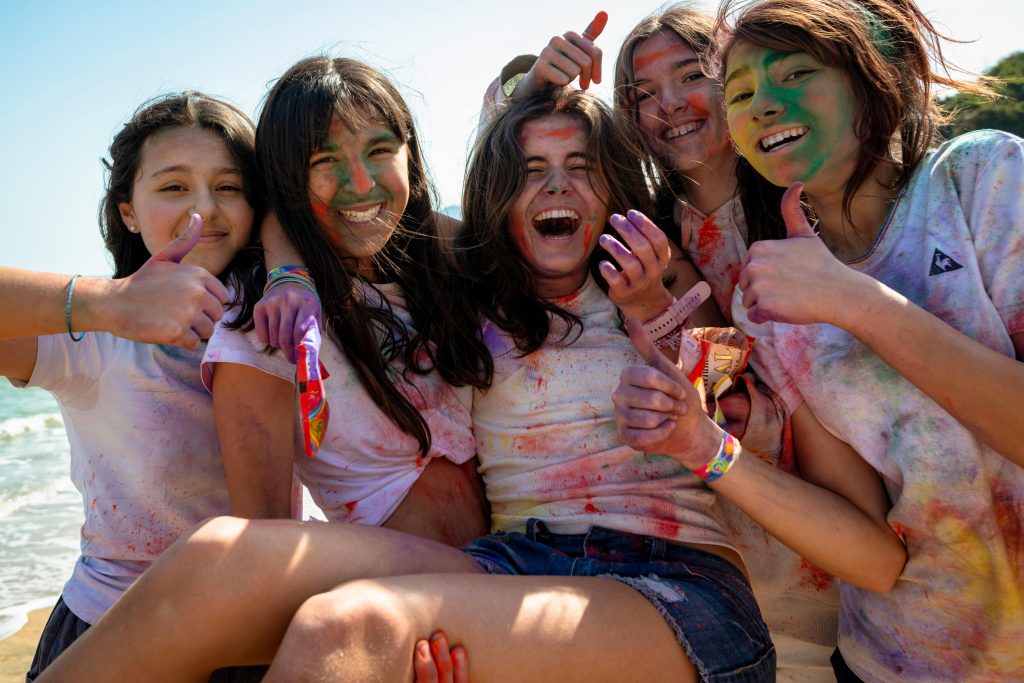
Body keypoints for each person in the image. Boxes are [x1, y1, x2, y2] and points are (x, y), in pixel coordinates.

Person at [496, 7, 842, 677]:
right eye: (642, 94)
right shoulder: (635, 228)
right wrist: (535, 88)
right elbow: (718, 393)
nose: (670, 106)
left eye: (692, 75)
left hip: (862, 541)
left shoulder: (815, 199)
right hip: (725, 560)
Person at [707, 0, 1022, 679]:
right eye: (739, 94)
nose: (763, 104)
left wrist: (857, 303)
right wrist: (703, 448)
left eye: (794, 72)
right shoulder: (767, 304)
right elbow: (873, 552)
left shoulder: (985, 177)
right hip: (891, 663)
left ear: (870, 76)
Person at [0, 92, 274, 680]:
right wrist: (109, 302)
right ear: (128, 211)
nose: (205, 210)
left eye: (229, 187)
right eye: (174, 187)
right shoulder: (95, 336)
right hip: (109, 628)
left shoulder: (282, 319)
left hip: (251, 627)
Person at [199, 56, 492, 540]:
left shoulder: (444, 267)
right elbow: (265, 537)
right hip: (392, 592)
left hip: (506, 570)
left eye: (379, 150)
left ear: (410, 155)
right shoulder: (269, 317)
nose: (360, 183)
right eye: (324, 160)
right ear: (288, 179)